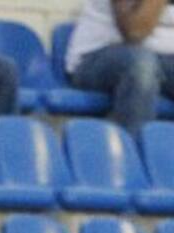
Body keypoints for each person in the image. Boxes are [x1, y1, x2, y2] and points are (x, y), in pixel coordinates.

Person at [66, 0, 174, 137]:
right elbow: (135, 31)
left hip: (161, 59)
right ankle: (129, 153)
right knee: (141, 66)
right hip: (97, 58)